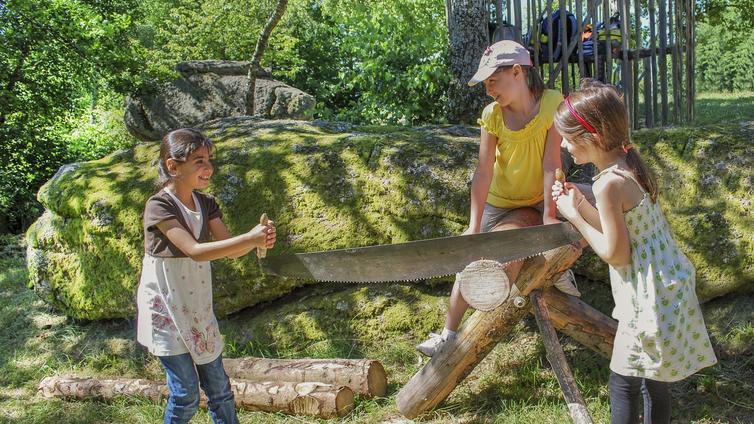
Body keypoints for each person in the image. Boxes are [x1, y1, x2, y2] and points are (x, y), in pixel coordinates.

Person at [550, 80, 717, 424]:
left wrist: (573, 218)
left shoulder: (607, 183)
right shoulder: (627, 165)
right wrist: (579, 203)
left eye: (567, 138)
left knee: (623, 382)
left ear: (593, 136)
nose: (565, 148)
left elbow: (616, 253)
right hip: (664, 287)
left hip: (647, 298)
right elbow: (621, 231)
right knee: (653, 384)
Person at [416, 40, 588, 357]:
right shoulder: (492, 115)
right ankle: (448, 334)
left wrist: (550, 217)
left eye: (493, 81)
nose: (488, 90)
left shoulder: (552, 104)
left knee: (575, 221)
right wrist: (472, 226)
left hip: (540, 196)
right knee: (473, 259)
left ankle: (560, 269)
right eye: (485, 84)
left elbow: (552, 162)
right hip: (502, 201)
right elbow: (483, 172)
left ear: (517, 72)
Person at [136, 128, 276, 424]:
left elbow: (231, 250)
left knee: (220, 390)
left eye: (209, 159)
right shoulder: (159, 206)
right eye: (198, 161)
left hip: (197, 308)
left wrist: (256, 241)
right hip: (167, 309)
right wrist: (249, 239)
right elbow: (195, 251)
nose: (208, 167)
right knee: (185, 396)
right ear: (173, 167)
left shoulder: (206, 203)